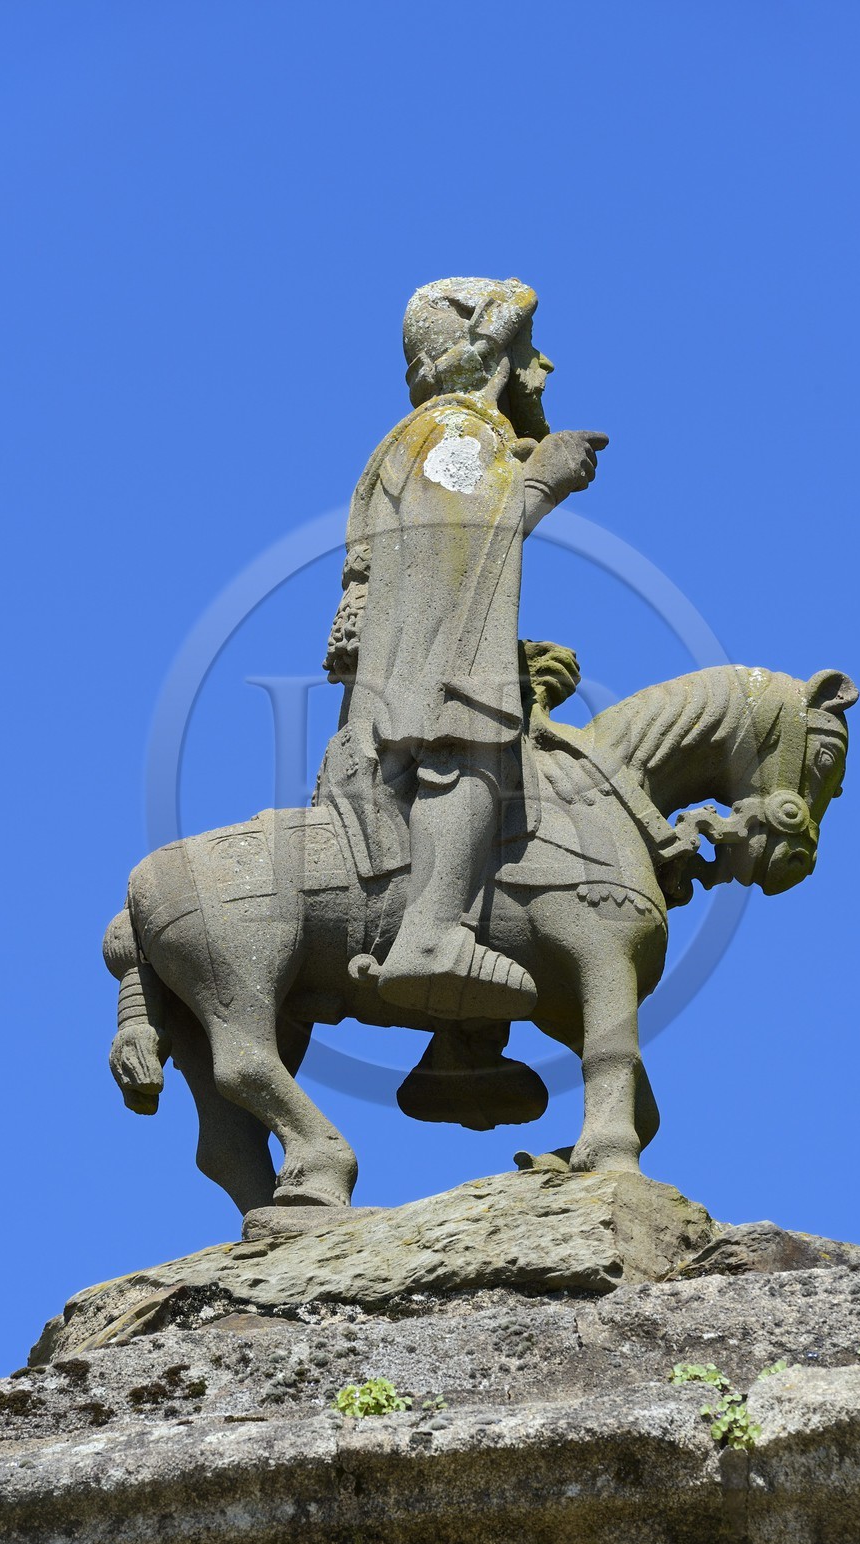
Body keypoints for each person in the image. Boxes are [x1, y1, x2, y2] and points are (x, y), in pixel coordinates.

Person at [320, 277, 607, 1021]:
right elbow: (462, 546)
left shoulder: (442, 434)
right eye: (529, 351)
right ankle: (430, 933)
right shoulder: (455, 431)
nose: (541, 371)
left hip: (414, 650)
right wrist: (543, 483)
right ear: (493, 349)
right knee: (471, 740)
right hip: (429, 665)